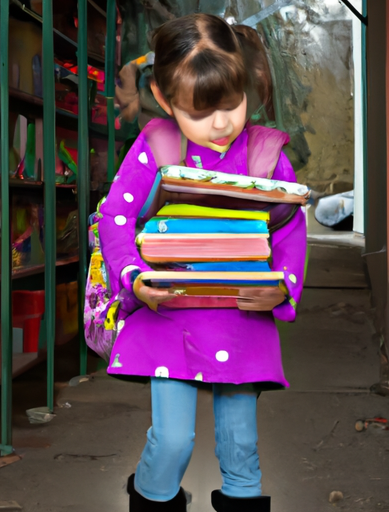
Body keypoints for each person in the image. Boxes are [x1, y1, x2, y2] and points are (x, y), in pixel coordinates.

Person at [97, 13, 307, 512]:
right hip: (169, 317)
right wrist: (133, 278)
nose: (220, 123)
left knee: (241, 448)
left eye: (231, 104)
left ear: (248, 84)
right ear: (167, 101)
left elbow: (289, 228)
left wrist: (285, 286)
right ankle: (149, 494)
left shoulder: (265, 154)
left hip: (242, 319)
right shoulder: (156, 148)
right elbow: (115, 217)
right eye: (200, 110)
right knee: (172, 442)